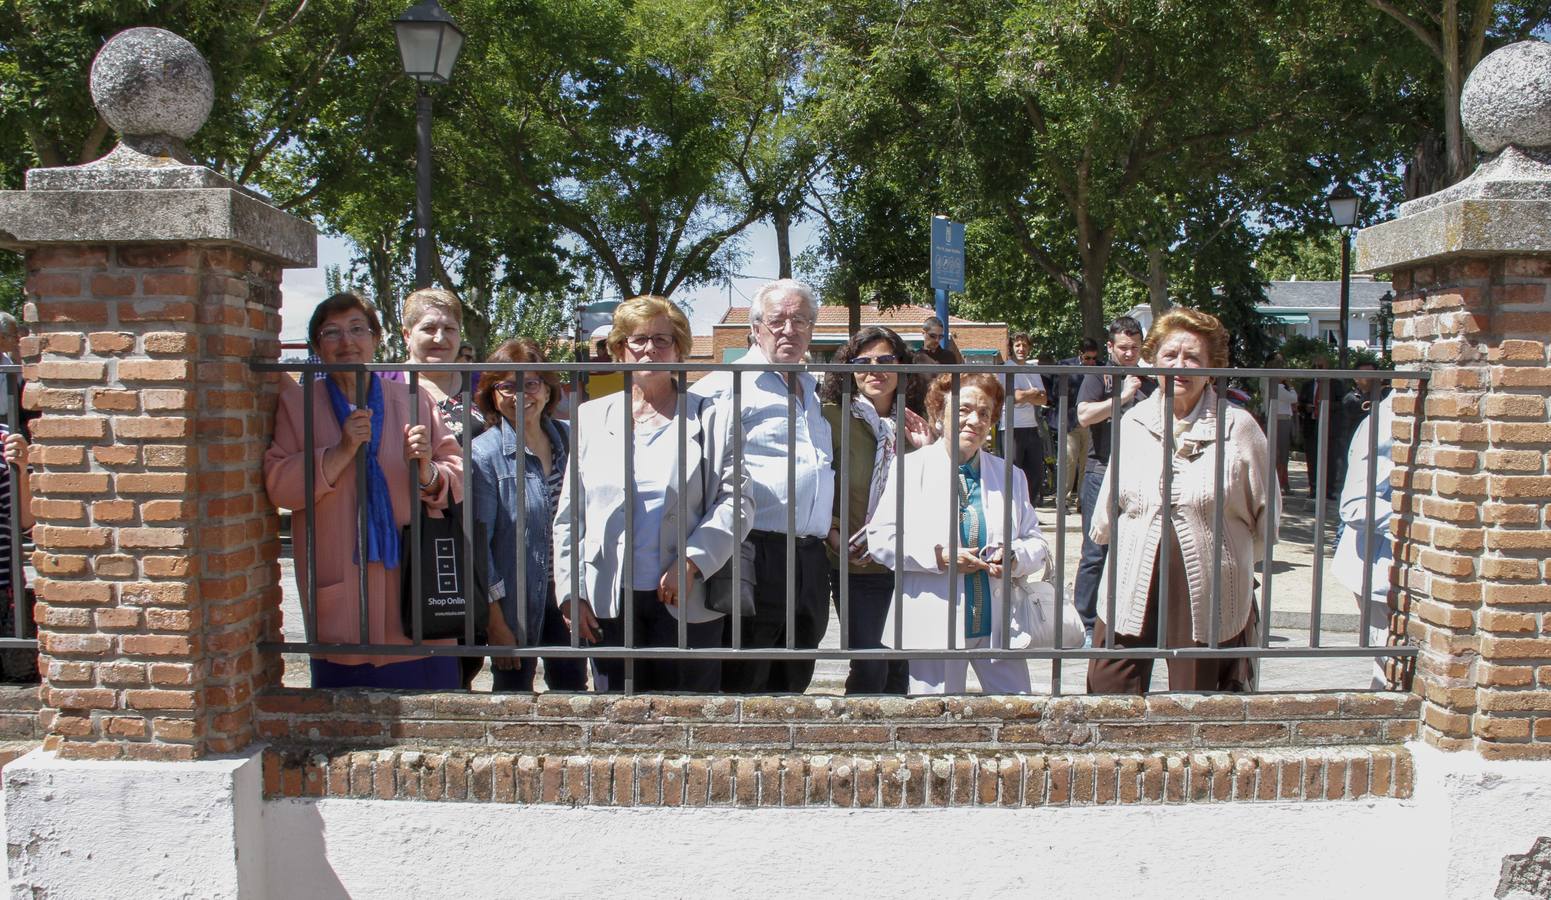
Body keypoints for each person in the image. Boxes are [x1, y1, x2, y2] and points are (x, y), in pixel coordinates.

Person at [264, 292, 464, 689]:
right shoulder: (300, 404)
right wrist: (339, 453)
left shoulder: (412, 397)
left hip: (413, 587)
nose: (347, 342)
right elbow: (280, 488)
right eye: (331, 333)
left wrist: (426, 470)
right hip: (341, 588)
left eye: (358, 329)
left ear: (376, 338)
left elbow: (456, 477)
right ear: (317, 347)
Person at [554, 295, 749, 693]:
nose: (649, 350)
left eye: (662, 339)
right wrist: (571, 591)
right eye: (637, 339)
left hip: (688, 597)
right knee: (617, 714)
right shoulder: (591, 418)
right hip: (609, 597)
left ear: (679, 347)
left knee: (690, 715)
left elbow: (737, 502)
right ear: (620, 349)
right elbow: (570, 516)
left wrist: (692, 561)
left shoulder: (713, 417)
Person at [1085, 308, 1277, 695]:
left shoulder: (1238, 428)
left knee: (1196, 702)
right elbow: (1108, 513)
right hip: (1132, 576)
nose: (1179, 366)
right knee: (1109, 689)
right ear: (1153, 361)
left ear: (1212, 368)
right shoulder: (1134, 422)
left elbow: (1266, 516)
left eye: (1193, 358)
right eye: (1170, 356)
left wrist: (1233, 558)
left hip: (1209, 585)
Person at [691, 279, 834, 693]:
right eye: (777, 321)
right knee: (746, 676)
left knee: (796, 671)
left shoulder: (810, 386)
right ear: (755, 328)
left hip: (809, 556)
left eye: (800, 321)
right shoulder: (727, 385)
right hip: (756, 551)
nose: (789, 330)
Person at [866, 372, 1050, 695]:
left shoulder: (1011, 476)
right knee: (935, 721)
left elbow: (1037, 542)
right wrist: (939, 556)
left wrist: (1014, 556)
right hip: (933, 618)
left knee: (1017, 712)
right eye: (963, 410)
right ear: (939, 415)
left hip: (997, 622)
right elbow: (880, 540)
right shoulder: (910, 469)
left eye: (984, 413)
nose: (974, 421)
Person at [470, 338, 588, 693]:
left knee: (572, 692)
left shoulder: (572, 441)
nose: (521, 394)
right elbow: (479, 547)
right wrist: (495, 622)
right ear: (492, 394)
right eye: (507, 385)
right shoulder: (483, 454)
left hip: (569, 594)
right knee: (512, 696)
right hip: (514, 602)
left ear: (548, 389)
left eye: (531, 383)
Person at [819, 326, 931, 694]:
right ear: (848, 369)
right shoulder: (830, 418)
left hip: (908, 563)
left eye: (886, 360)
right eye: (862, 362)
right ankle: (856, 739)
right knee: (870, 666)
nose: (875, 370)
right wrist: (833, 534)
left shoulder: (921, 424)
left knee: (904, 667)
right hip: (854, 561)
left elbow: (939, 493)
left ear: (902, 366)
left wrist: (929, 449)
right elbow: (816, 484)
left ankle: (895, 746)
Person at [1072, 316, 1153, 642]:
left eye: (1135, 347)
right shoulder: (1099, 375)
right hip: (1101, 471)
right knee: (1095, 552)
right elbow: (1083, 415)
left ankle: (1126, 622)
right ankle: (1084, 625)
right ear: (1110, 346)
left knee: (1136, 551)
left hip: (1141, 474)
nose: (1130, 353)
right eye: (1123, 348)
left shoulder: (1151, 379)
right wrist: (1121, 398)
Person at [1334, 392, 1395, 689]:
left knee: (1391, 670)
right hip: (1377, 567)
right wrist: (1417, 525)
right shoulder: (1385, 421)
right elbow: (1354, 505)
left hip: (1391, 571)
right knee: (1389, 673)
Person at [402, 288, 483, 446]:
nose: (439, 338)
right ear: (407, 335)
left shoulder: (481, 383)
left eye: (449, 329)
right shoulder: (382, 382)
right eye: (429, 328)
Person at [0, 424, 34, 682]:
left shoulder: (4, 438)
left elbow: (25, 520)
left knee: (17, 673)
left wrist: (21, 472)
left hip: (2, 586)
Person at [1053, 339, 1100, 506]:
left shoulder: (1100, 368)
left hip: (1092, 424)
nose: (1092, 362)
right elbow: (1056, 393)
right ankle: (1063, 500)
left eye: (1094, 358)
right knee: (1068, 461)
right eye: (1088, 358)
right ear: (1080, 354)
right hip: (1071, 422)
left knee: (1086, 463)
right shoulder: (1066, 366)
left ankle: (1082, 500)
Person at [1004, 332, 1048, 508]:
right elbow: (1015, 397)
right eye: (1017, 345)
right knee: (1013, 472)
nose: (1021, 349)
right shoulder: (1006, 367)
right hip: (1011, 427)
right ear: (1012, 348)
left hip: (1032, 426)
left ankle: (1028, 509)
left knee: (1035, 473)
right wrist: (1031, 394)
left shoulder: (1032, 369)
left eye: (1024, 345)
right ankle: (1012, 511)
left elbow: (1044, 398)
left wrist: (1025, 395)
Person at [1268, 356, 1296, 494]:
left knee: (1280, 453)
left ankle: (1281, 481)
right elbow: (1293, 398)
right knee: (1281, 453)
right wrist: (1291, 387)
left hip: (1281, 419)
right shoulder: (1279, 387)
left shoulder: (1273, 385)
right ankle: (1280, 482)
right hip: (1281, 420)